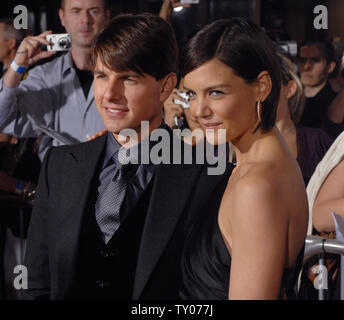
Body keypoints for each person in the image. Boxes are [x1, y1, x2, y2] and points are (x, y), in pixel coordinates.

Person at [23, 13, 232, 300]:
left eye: (128, 79)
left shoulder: (207, 176)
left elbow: (208, 295)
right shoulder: (59, 167)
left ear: (166, 87)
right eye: (101, 76)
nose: (110, 94)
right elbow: (37, 281)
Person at [178, 18, 308, 299]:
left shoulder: (257, 186)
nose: (199, 110)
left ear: (261, 87)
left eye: (215, 92)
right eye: (191, 94)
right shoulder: (261, 162)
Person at [0, 0, 110, 160]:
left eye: (94, 11)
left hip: (114, 180)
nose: (85, 20)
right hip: (62, 180)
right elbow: (3, 119)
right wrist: (17, 66)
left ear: (106, 16)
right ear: (62, 17)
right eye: (76, 11)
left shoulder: (127, 73)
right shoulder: (44, 77)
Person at [276, 53, 333, 185]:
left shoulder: (318, 142)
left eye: (265, 84)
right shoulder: (227, 146)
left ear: (290, 89)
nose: (257, 93)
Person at [297, 39, 343, 139]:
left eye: (315, 60)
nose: (306, 67)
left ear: (330, 67)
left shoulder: (335, 105)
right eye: (302, 60)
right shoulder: (288, 100)